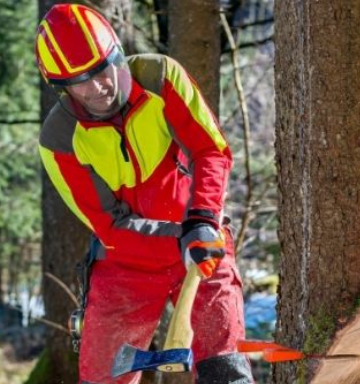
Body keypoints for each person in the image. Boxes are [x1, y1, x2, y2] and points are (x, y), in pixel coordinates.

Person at [35, 4, 253, 384]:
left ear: (118, 54)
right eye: (80, 81)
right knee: (104, 375)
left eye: (103, 69)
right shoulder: (59, 141)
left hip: (202, 238)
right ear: (62, 88)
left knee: (226, 370)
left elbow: (211, 150)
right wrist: (177, 243)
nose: (98, 86)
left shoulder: (160, 77)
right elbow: (109, 226)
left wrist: (201, 219)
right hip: (126, 258)